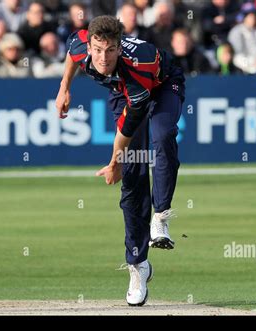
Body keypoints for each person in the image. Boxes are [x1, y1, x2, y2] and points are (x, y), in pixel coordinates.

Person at [55, 15, 185, 306]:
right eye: (97, 50)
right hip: (121, 93)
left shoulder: (137, 68)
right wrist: (65, 87)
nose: (103, 58)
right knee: (134, 178)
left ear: (119, 49)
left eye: (110, 50)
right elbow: (71, 55)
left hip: (162, 86)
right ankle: (138, 265)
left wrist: (114, 163)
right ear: (89, 46)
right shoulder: (81, 45)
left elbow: (126, 132)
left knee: (162, 136)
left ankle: (161, 217)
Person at [228, 2, 256, 74]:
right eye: (250, 15)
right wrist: (250, 63)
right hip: (240, 68)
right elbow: (235, 54)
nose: (253, 18)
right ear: (244, 17)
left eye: (255, 15)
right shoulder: (236, 32)